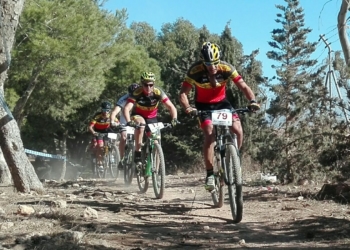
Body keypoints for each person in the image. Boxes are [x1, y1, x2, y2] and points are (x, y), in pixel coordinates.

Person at [178, 42, 260, 191]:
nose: (213, 67)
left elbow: (243, 86)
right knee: (210, 135)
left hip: (222, 103)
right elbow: (183, 93)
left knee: (238, 130)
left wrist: (252, 101)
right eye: (209, 64)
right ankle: (210, 174)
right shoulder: (195, 71)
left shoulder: (226, 68)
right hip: (203, 106)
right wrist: (188, 108)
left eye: (215, 63)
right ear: (203, 62)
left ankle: (233, 160)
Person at [123, 72, 178, 166]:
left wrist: (174, 119)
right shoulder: (137, 93)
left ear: (154, 84)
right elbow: (127, 108)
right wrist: (128, 121)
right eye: (145, 85)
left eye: (151, 85)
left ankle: (155, 171)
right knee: (141, 125)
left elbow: (171, 107)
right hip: (138, 115)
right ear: (142, 84)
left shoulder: (158, 92)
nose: (148, 87)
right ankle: (137, 153)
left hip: (152, 118)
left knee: (155, 141)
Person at [110, 83, 140, 169]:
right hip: (125, 122)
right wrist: (112, 121)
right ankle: (122, 159)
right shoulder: (124, 99)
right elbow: (115, 112)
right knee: (123, 138)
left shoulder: (141, 97)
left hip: (137, 119)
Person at [88, 101, 119, 173]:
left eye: (107, 110)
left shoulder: (111, 116)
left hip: (109, 132)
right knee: (100, 146)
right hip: (99, 133)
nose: (105, 112)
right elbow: (90, 127)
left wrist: (117, 125)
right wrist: (93, 132)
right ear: (101, 109)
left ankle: (112, 153)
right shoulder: (97, 116)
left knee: (115, 141)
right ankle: (100, 164)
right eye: (104, 110)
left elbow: (117, 122)